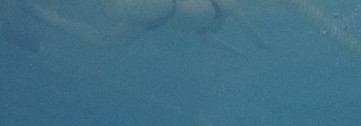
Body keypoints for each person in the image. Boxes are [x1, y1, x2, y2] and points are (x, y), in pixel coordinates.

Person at [24, 0, 267, 51]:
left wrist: (232, 52)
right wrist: (265, 46)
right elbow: (254, 34)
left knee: (109, 41)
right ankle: (52, 17)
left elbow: (205, 38)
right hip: (163, 10)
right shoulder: (229, 6)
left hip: (155, 19)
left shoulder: (207, 25)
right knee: (112, 10)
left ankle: (53, 19)